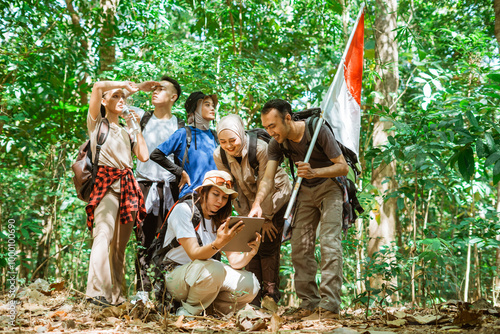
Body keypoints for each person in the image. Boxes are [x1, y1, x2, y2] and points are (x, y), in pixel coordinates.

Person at [248, 99, 349, 319]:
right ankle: (309, 303)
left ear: (287, 118)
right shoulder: (277, 143)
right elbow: (268, 178)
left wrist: (315, 172)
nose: (270, 131)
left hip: (330, 188)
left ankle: (330, 306)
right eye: (266, 127)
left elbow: (343, 167)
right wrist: (257, 203)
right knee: (300, 249)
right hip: (304, 192)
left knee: (330, 243)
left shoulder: (317, 130)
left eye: (272, 125)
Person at [213, 114, 291, 305]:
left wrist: (266, 218)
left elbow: (268, 182)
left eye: (232, 140)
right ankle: (254, 298)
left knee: (268, 243)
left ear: (241, 133)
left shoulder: (261, 149)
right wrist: (246, 221)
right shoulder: (219, 154)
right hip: (248, 201)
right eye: (223, 142)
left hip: (275, 196)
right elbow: (231, 188)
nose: (228, 146)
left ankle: (270, 296)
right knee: (249, 242)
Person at [160, 170, 261, 316]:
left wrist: (250, 252)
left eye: (225, 197)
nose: (220, 201)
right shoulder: (183, 210)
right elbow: (194, 254)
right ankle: (187, 312)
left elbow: (235, 262)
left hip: (205, 276)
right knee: (214, 268)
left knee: (250, 283)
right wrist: (219, 243)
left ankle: (213, 310)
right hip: (175, 276)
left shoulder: (219, 220)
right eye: (216, 194)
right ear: (202, 191)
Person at [85, 80, 149, 307]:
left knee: (119, 247)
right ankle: (95, 293)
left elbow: (143, 156)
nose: (121, 100)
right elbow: (96, 86)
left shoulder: (126, 131)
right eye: (115, 96)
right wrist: (127, 85)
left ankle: (116, 298)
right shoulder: (97, 123)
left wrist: (136, 128)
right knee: (103, 234)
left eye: (123, 97)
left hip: (128, 188)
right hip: (106, 186)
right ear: (104, 101)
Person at [130, 76, 183, 301]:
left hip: (170, 190)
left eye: (162, 89)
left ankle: (166, 296)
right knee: (142, 240)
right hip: (143, 187)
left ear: (173, 97)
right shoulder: (142, 117)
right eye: (155, 88)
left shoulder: (180, 125)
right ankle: (142, 293)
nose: (155, 91)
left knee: (168, 243)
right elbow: (114, 100)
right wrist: (139, 87)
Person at [150, 91, 218, 199]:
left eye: (213, 105)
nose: (212, 108)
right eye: (207, 105)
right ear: (195, 108)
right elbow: (156, 155)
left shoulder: (216, 136)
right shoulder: (183, 133)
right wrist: (180, 172)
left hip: (215, 198)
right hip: (191, 196)